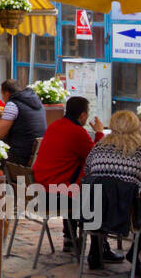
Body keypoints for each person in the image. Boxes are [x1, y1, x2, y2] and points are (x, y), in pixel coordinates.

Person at [81, 110, 141, 272]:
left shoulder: (98, 148)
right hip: (125, 213)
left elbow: (88, 173)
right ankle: (133, 252)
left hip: (93, 213)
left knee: (97, 193)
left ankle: (95, 251)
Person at [32, 96, 102, 253]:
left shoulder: (54, 126)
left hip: (38, 192)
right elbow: (96, 157)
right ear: (82, 115)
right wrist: (99, 133)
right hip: (55, 197)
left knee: (73, 183)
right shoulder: (77, 132)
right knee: (95, 194)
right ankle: (99, 249)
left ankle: (70, 238)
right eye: (88, 113)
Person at [0, 79, 47, 166]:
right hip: (37, 155)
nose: (3, 98)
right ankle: (16, 179)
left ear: (7, 94)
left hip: (21, 157)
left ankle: (15, 179)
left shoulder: (12, 104)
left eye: (2, 95)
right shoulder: (37, 102)